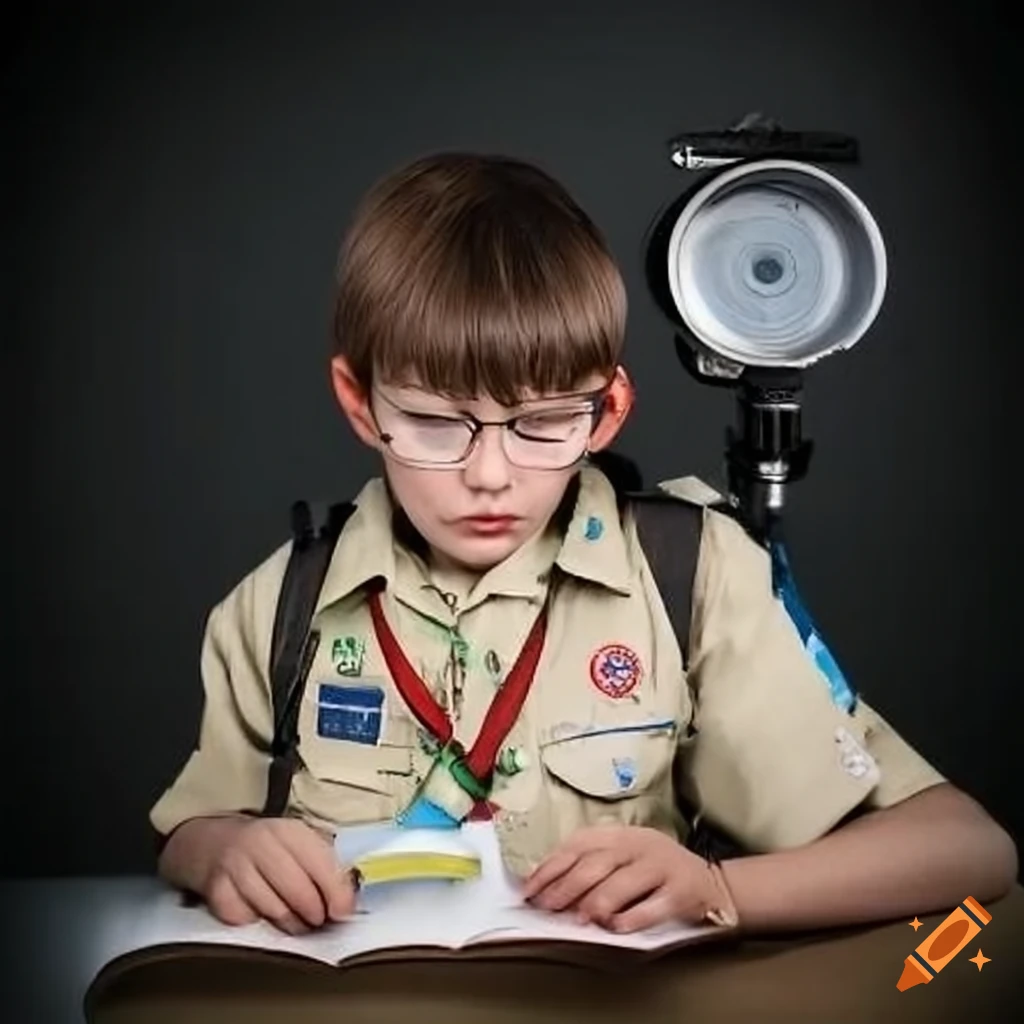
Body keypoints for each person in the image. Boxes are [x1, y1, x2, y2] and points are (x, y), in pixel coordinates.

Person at [151, 152, 1018, 939]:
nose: (490, 474)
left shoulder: (689, 580)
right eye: (433, 422)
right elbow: (193, 834)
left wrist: (718, 887)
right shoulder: (283, 605)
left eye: (544, 423)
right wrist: (221, 847)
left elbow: (967, 851)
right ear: (358, 403)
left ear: (606, 410)